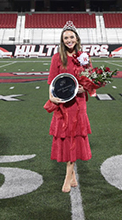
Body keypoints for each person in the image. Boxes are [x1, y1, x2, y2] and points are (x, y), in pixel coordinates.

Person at [47, 21, 92, 193]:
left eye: (71, 37)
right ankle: (71, 174)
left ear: (77, 38)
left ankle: (67, 177)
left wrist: (84, 87)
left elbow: (91, 79)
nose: (69, 40)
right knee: (66, 138)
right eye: (66, 37)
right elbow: (52, 80)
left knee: (75, 137)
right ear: (62, 40)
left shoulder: (84, 57)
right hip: (63, 105)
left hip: (79, 104)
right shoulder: (57, 57)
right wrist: (52, 97)